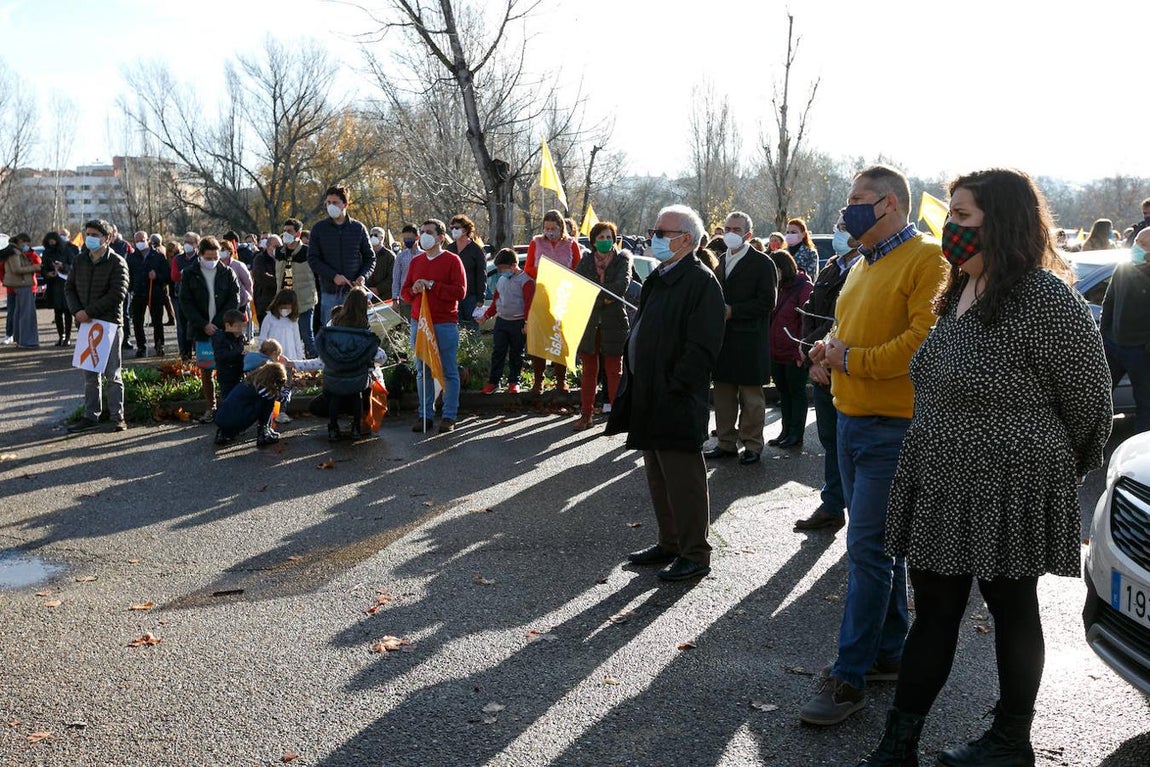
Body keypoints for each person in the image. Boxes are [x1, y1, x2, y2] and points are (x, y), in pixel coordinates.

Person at [856, 168, 1113, 767]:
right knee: (935, 615)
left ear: (1004, 222)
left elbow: (1091, 405)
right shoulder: (956, 290)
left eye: (965, 217)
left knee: (1012, 609)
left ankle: (1008, 743)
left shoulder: (1047, 300)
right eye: (951, 216)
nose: (951, 228)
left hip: (1010, 486)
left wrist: (1039, 467)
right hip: (943, 481)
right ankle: (899, 745)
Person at [800, 165, 948, 727]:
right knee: (881, 548)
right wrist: (826, 355)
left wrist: (850, 361)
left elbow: (921, 343)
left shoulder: (928, 259)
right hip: (850, 422)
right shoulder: (863, 264)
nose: (848, 208)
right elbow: (849, 336)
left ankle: (849, 677)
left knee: (867, 552)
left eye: (858, 198)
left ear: (889, 204)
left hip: (894, 429)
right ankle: (889, 652)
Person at [606, 204, 725, 582]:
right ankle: (670, 542)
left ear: (685, 239)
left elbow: (703, 346)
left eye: (662, 232)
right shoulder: (661, 276)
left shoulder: (701, 281)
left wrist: (674, 385)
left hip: (675, 396)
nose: (654, 238)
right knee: (657, 474)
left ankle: (695, 553)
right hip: (649, 392)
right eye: (654, 231)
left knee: (683, 478)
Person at [794, 219, 862, 533]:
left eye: (845, 227)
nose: (838, 232)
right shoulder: (832, 266)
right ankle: (833, 506)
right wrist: (811, 356)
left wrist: (815, 351)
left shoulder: (867, 267)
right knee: (831, 442)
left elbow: (843, 320)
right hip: (821, 365)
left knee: (852, 447)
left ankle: (860, 513)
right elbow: (810, 311)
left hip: (846, 368)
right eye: (837, 225)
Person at [706, 211, 777, 465]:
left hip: (749, 340)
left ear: (748, 234)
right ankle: (725, 443)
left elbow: (768, 302)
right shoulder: (722, 259)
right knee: (723, 396)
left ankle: (752, 445)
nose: (730, 233)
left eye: (736, 229)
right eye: (727, 228)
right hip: (724, 341)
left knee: (751, 399)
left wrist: (734, 311)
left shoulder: (762, 263)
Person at [400, 219, 466, 433]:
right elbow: (405, 293)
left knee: (448, 371)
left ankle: (449, 416)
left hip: (444, 323)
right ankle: (425, 415)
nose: (423, 235)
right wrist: (416, 289)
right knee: (422, 371)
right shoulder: (416, 262)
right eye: (421, 231)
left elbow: (460, 292)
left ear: (440, 237)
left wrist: (434, 286)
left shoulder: (453, 260)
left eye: (428, 232)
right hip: (419, 323)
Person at [65, 219, 130, 433]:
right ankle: (90, 416)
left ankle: (116, 417)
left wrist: (88, 312)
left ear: (107, 238)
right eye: (87, 233)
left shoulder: (117, 262)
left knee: (113, 374)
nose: (89, 238)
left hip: (109, 324)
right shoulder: (80, 260)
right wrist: (77, 311)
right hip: (86, 325)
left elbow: (117, 294)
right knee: (90, 376)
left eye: (94, 234)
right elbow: (70, 288)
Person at [572, 221, 632, 430]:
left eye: (609, 237)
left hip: (614, 323)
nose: (606, 241)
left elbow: (620, 287)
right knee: (589, 370)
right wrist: (603, 297)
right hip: (589, 323)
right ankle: (586, 415)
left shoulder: (623, 259)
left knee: (614, 371)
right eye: (601, 238)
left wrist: (595, 293)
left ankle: (617, 418)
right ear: (593, 241)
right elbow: (579, 286)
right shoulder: (586, 260)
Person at [179, 236, 240, 425]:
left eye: (216, 257)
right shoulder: (190, 274)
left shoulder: (228, 273)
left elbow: (234, 299)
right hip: (202, 331)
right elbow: (185, 303)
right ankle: (210, 407)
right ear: (200, 255)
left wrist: (219, 322)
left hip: (223, 330)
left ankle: (228, 405)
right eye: (209, 257)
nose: (214, 261)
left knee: (228, 369)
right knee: (206, 370)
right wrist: (203, 323)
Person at [314, 286, 387, 442]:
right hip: (357, 374)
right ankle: (355, 427)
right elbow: (380, 355)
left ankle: (333, 428)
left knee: (334, 397)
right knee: (356, 396)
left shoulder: (335, 322)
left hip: (334, 373)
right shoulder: (363, 326)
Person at [525, 209, 581, 394]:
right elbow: (528, 269)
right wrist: (542, 271)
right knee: (539, 340)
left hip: (564, 297)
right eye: (547, 228)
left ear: (561, 227)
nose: (550, 231)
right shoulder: (537, 242)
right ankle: (538, 381)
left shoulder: (571, 244)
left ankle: (561, 381)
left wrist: (564, 276)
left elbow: (578, 269)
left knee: (560, 339)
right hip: (542, 296)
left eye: (553, 228)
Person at [1101, 226, 1150, 432]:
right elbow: (1108, 301)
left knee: (1146, 404)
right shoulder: (1123, 268)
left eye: (1144, 244)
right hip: (1114, 345)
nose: (1137, 247)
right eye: (1137, 241)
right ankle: (1091, 446)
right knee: (1099, 397)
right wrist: (1104, 335)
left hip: (1141, 350)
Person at [308, 184, 375, 323]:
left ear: (345, 204)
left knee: (356, 329)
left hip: (355, 293)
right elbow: (313, 259)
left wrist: (363, 276)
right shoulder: (319, 229)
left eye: (335, 202)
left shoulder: (358, 228)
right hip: (330, 292)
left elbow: (370, 258)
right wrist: (333, 276)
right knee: (330, 330)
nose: (330, 206)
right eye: (328, 202)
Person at [767, 248, 813, 448]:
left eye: (774, 268)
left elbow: (806, 321)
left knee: (797, 393)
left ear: (783, 268)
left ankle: (796, 434)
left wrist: (801, 351)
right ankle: (785, 431)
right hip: (777, 352)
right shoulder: (779, 287)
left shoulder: (803, 287)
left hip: (794, 352)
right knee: (783, 393)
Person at [480, 248, 535, 395]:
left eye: (502, 269)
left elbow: (529, 304)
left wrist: (527, 323)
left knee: (517, 353)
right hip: (502, 322)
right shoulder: (502, 280)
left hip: (518, 323)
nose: (500, 272)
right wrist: (486, 316)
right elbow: (496, 302)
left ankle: (514, 381)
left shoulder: (526, 281)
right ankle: (493, 382)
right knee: (498, 352)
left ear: (512, 266)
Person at [213, 361, 287, 448]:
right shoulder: (264, 389)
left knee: (264, 399)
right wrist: (287, 391)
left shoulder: (250, 381)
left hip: (221, 417)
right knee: (268, 401)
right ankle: (264, 432)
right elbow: (282, 399)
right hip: (237, 420)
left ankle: (224, 433)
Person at [276, 219, 317, 357]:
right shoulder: (279, 252)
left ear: (298, 234)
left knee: (306, 335)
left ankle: (314, 366)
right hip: (284, 301)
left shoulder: (308, 252)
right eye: (284, 231)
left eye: (289, 231)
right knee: (285, 337)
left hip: (304, 301)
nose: (285, 234)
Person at [126, 231, 169, 357]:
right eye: (137, 241)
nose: (140, 242)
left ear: (147, 240)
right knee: (137, 322)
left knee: (157, 321)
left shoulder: (158, 256)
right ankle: (141, 346)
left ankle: (159, 345)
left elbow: (167, 276)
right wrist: (131, 288)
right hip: (138, 293)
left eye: (142, 240)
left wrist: (157, 276)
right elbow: (128, 276)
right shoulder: (131, 258)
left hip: (154, 293)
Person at [446, 214, 486, 330]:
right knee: (456, 328)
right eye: (452, 228)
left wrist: (480, 299)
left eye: (457, 228)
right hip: (454, 295)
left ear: (466, 229)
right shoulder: (450, 248)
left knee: (472, 329)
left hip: (471, 297)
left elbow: (481, 275)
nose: (454, 230)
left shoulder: (476, 249)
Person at [1, 233, 40, 349]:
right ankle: (27, 341)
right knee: (26, 314)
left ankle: (20, 339)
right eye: (26, 243)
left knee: (19, 313)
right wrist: (35, 267)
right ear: (20, 241)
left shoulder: (11, 251)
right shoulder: (14, 253)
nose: (27, 246)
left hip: (18, 285)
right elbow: (17, 269)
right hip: (23, 284)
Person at [171, 232, 201, 360]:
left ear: (196, 244)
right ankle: (184, 352)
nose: (187, 245)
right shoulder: (177, 259)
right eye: (185, 242)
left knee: (196, 324)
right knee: (182, 326)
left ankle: (198, 351)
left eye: (190, 242)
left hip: (197, 297)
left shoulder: (200, 258)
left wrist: (186, 273)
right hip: (180, 296)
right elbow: (174, 276)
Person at [41, 232, 74, 347]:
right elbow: (43, 268)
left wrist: (62, 266)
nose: (51, 244)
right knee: (57, 312)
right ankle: (61, 336)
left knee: (67, 311)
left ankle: (68, 337)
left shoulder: (66, 250)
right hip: (53, 285)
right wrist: (47, 274)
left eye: (53, 242)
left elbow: (73, 266)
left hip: (65, 284)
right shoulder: (46, 253)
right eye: (49, 242)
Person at [259, 289, 306, 362]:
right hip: (273, 356)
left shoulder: (293, 321)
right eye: (282, 308)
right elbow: (263, 337)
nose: (285, 310)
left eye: (288, 308)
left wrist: (299, 359)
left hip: (290, 357)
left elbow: (297, 340)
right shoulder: (269, 318)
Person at [212, 309, 248, 402]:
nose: (241, 329)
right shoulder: (221, 338)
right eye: (238, 326)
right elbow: (221, 356)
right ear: (228, 325)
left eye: (242, 326)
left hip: (238, 374)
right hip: (226, 376)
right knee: (228, 400)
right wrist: (239, 352)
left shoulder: (239, 338)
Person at [391, 224, 421, 322]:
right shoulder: (400, 256)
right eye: (405, 238)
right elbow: (396, 279)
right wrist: (395, 299)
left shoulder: (424, 255)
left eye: (409, 238)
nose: (406, 240)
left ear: (417, 237)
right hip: (405, 298)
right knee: (407, 326)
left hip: (420, 297)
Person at [251, 234, 279, 325]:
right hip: (264, 302)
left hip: (280, 301)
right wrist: (279, 281)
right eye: (275, 246)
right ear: (268, 246)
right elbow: (261, 276)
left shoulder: (283, 259)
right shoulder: (260, 259)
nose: (278, 248)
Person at [369, 226, 395, 305]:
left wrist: (378, 289)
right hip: (368, 296)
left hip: (385, 297)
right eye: (371, 235)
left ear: (382, 238)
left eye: (375, 235)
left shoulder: (390, 256)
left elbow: (393, 276)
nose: (373, 237)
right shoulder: (365, 254)